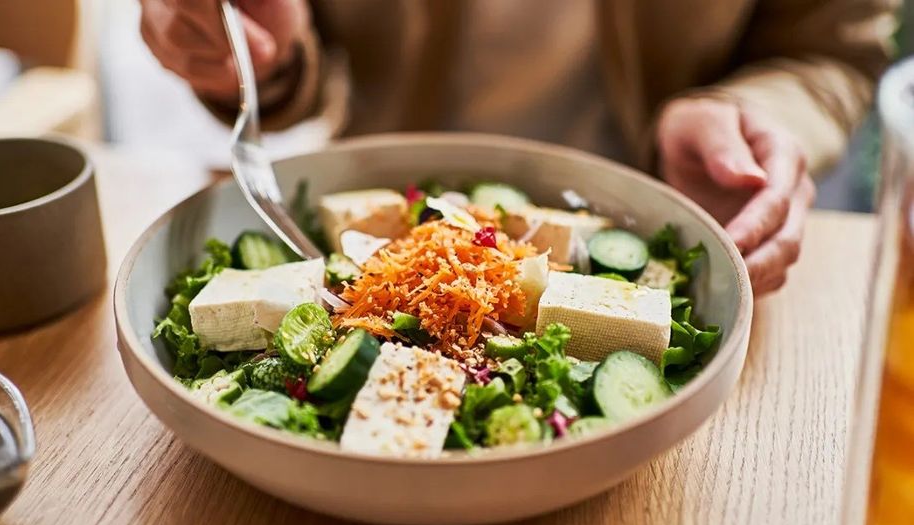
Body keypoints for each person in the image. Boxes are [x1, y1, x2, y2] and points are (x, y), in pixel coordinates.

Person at [139, 0, 898, 294]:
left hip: (658, 206)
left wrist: (746, 113)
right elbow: (295, 55)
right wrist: (255, 51)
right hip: (379, 200)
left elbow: (831, 47)